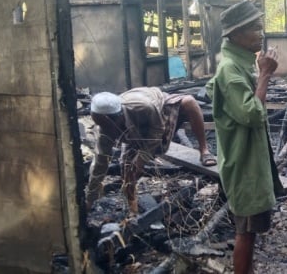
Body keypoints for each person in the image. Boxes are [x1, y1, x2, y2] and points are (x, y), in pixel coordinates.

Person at [206, 0, 283, 274]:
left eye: (260, 27)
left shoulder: (238, 65)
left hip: (249, 161)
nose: (260, 33)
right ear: (235, 35)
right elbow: (252, 114)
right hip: (243, 165)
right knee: (245, 232)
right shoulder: (230, 70)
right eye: (254, 28)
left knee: (250, 231)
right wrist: (264, 76)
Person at [85, 87, 215, 214]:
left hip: (161, 111)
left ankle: (204, 150)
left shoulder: (143, 106)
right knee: (128, 170)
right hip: (135, 129)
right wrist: (90, 198)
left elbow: (157, 131)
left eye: (104, 125)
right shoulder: (104, 129)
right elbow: (100, 163)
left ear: (110, 119)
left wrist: (141, 160)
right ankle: (132, 210)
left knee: (189, 102)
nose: (103, 129)